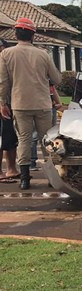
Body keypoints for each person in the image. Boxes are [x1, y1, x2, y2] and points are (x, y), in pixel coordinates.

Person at [0, 18, 61, 190]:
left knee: (24, 140)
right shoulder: (43, 54)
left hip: (19, 104)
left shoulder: (6, 54)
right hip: (42, 103)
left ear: (16, 34)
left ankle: (25, 180)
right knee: (46, 141)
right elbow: (56, 79)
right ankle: (51, 178)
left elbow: (3, 82)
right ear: (33, 35)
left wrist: (2, 103)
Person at [0, 38, 19, 183]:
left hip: (9, 104)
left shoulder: (7, 63)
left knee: (10, 138)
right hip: (4, 104)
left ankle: (11, 168)